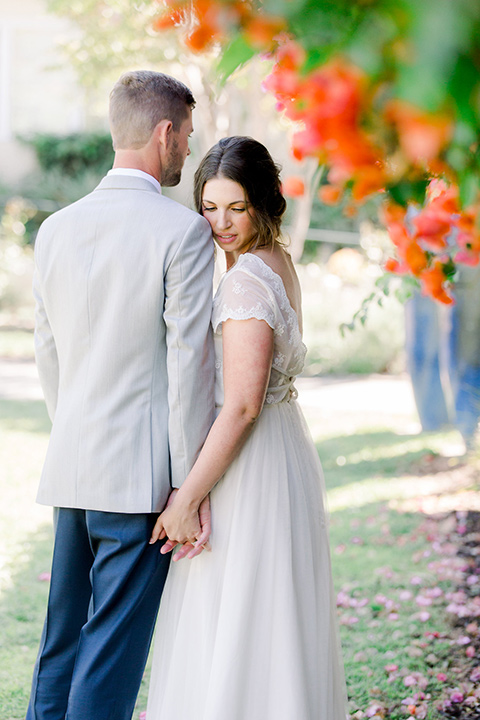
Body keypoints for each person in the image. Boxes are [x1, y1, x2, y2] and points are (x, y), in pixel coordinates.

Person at [26, 70, 215, 720]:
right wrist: (190, 488)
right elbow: (189, 366)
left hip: (74, 463)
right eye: (187, 136)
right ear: (166, 132)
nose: (188, 151)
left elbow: (46, 352)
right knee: (110, 653)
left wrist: (75, 429)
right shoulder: (183, 231)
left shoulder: (54, 228)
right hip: (140, 480)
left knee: (60, 645)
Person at [147, 136, 348, 720]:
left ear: (263, 202)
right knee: (270, 614)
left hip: (251, 464)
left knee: (236, 613)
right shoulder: (276, 263)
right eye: (210, 208)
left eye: (236, 208)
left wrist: (187, 498)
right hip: (282, 452)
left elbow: (241, 406)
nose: (221, 223)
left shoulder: (243, 282)